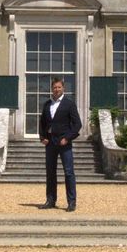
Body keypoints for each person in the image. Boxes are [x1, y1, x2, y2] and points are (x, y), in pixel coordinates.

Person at [38, 77, 81, 211]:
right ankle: (50, 200)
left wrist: (67, 138)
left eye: (59, 87)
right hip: (50, 143)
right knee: (50, 172)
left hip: (64, 143)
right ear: (52, 89)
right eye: (54, 87)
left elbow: (77, 124)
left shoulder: (69, 104)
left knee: (68, 172)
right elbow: (42, 123)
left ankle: (71, 202)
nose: (56, 90)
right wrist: (42, 137)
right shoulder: (47, 104)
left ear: (63, 88)